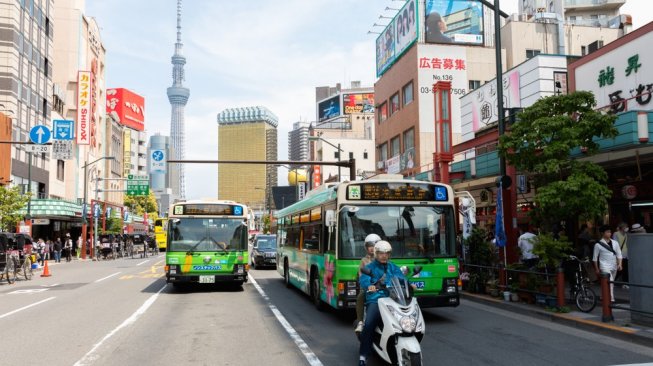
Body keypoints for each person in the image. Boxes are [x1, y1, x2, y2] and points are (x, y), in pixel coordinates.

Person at [358, 241, 406, 366]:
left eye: (387, 253)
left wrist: (410, 284)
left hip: (392, 300)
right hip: (375, 300)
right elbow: (364, 280)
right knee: (369, 325)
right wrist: (370, 286)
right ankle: (363, 355)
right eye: (381, 253)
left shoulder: (392, 267)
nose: (384, 256)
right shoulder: (370, 267)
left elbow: (401, 278)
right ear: (376, 253)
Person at [354, 233, 381, 334]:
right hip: (369, 288)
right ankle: (360, 322)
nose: (372, 248)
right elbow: (362, 276)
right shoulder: (364, 261)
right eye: (370, 245)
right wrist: (368, 285)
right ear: (366, 247)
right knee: (361, 296)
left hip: (382, 287)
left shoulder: (384, 259)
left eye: (374, 245)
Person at [592, 225, 622, 302]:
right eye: (607, 232)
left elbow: (619, 254)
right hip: (604, 265)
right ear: (603, 233)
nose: (609, 233)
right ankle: (611, 298)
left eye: (610, 232)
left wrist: (620, 264)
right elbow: (595, 258)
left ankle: (603, 295)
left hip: (614, 265)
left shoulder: (615, 243)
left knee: (608, 282)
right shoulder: (598, 245)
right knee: (610, 281)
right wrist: (597, 269)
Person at [612, 223, 629, 288]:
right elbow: (615, 244)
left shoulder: (626, 234)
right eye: (625, 227)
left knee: (624, 269)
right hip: (619, 254)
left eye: (627, 227)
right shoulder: (616, 234)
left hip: (626, 254)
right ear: (622, 227)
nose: (627, 228)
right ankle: (612, 281)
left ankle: (624, 283)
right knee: (619, 269)